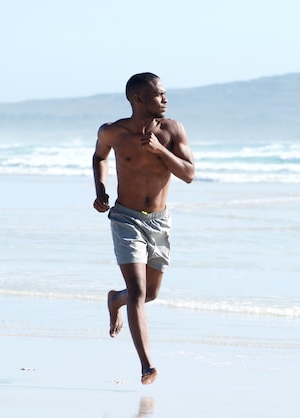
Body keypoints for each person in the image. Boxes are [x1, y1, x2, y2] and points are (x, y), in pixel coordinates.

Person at [92, 72, 195, 385]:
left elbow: (189, 174)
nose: (165, 99)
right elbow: (99, 157)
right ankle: (147, 364)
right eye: (159, 95)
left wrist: (160, 151)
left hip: (159, 221)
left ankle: (115, 300)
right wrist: (100, 190)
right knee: (138, 291)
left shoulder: (172, 130)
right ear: (138, 99)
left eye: (165, 94)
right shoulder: (113, 131)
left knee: (148, 294)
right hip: (125, 217)